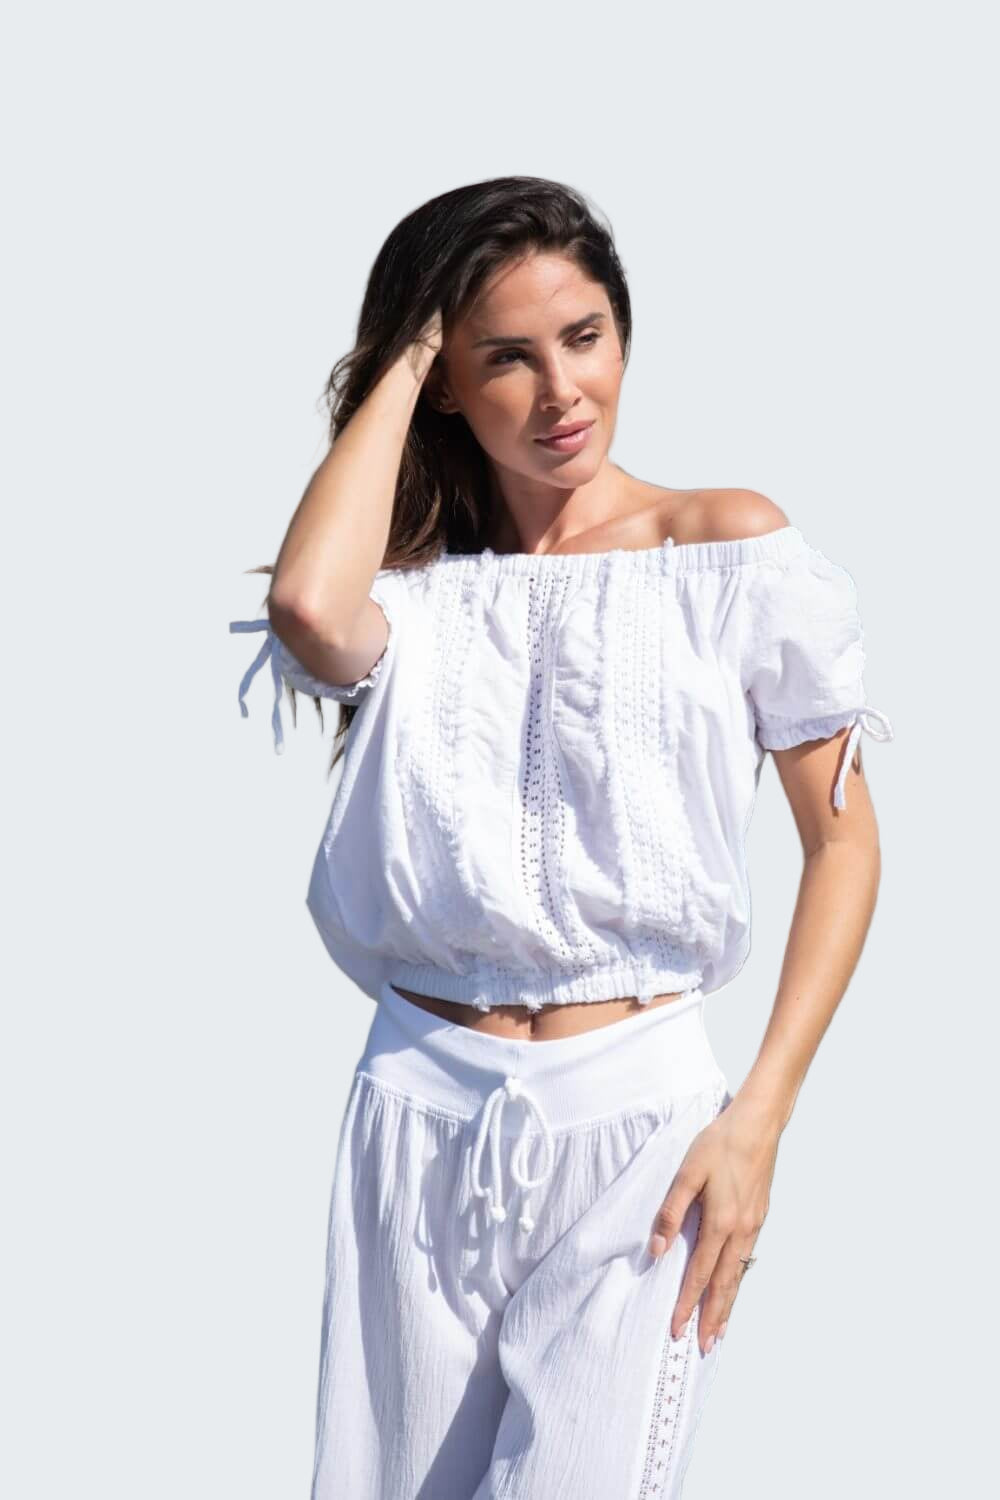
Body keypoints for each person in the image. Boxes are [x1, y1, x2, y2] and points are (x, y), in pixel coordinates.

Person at [229, 176, 893, 1499]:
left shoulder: (726, 550)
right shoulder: (408, 595)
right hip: (418, 1111)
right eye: (506, 358)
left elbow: (847, 848)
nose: (561, 393)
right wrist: (412, 341)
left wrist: (758, 1117)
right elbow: (308, 606)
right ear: (444, 385)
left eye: (585, 337)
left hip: (640, 1119)